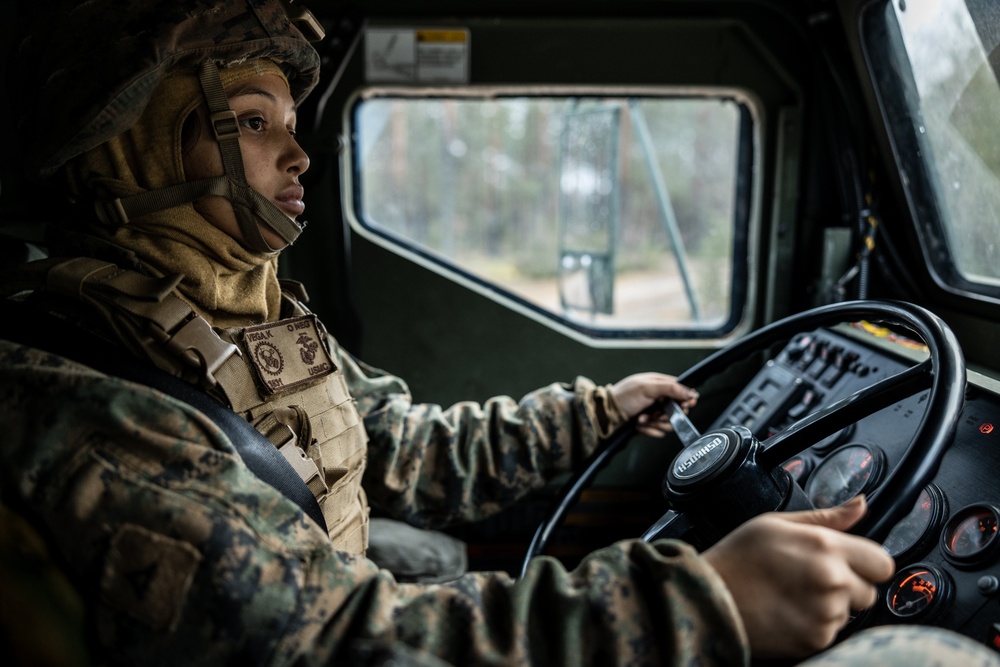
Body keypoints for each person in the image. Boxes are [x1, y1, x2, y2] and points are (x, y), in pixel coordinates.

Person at [1, 1, 998, 666]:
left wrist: (589, 413)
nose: (298, 150)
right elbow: (329, 645)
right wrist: (696, 606)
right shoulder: (89, 392)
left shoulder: (242, 311)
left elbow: (392, 444)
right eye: (254, 122)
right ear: (133, 151)